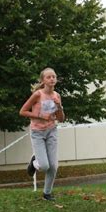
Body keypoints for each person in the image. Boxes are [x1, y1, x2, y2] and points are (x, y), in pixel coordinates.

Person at [19, 67, 65, 201]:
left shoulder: (57, 96)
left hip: (52, 131)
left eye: (54, 77)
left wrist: (60, 107)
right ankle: (34, 163)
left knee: (53, 166)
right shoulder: (38, 95)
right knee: (44, 166)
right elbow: (22, 111)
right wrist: (40, 116)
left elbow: (61, 119)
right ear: (43, 80)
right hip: (37, 132)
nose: (52, 79)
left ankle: (47, 193)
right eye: (48, 77)